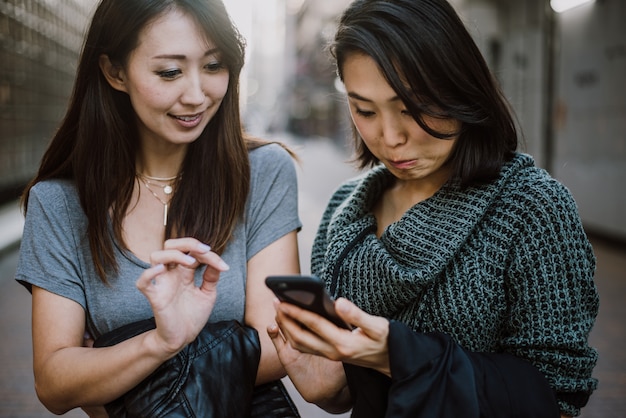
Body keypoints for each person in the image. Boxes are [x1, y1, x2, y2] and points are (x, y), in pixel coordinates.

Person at [268, 0, 599, 417]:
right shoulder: (345, 211)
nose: (390, 136)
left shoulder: (532, 208)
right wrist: (331, 389)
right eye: (365, 110)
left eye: (413, 106)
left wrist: (403, 357)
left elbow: (555, 396)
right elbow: (356, 387)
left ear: (460, 86)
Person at [15, 0, 301, 416]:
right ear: (115, 72)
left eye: (214, 65)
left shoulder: (263, 173)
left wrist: (113, 361)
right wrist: (160, 341)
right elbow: (55, 383)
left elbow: (279, 346)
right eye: (169, 71)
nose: (197, 95)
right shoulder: (59, 202)